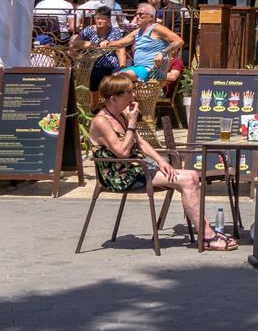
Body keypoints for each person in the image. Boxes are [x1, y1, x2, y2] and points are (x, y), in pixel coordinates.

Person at [88, 74, 235, 250]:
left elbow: (140, 142)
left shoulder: (121, 115)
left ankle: (206, 232)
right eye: (129, 92)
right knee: (188, 180)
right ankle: (208, 236)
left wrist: (160, 161)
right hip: (120, 176)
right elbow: (122, 153)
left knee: (192, 176)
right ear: (113, 98)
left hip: (136, 168)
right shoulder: (101, 121)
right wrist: (132, 123)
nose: (134, 95)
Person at [117, 4, 183, 83]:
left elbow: (179, 41)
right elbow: (120, 44)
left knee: (122, 76)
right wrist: (107, 43)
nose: (137, 17)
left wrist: (162, 53)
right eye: (136, 14)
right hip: (138, 68)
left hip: (149, 69)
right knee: (113, 79)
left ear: (151, 17)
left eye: (141, 14)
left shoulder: (156, 28)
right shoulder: (138, 32)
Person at [72, 6, 132, 90]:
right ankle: (96, 97)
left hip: (112, 64)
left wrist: (122, 67)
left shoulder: (115, 32)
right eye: (97, 18)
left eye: (102, 19)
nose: (99, 21)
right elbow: (75, 42)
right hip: (94, 64)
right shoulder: (89, 30)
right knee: (96, 74)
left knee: (115, 81)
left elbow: (120, 50)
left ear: (108, 20)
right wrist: (94, 44)